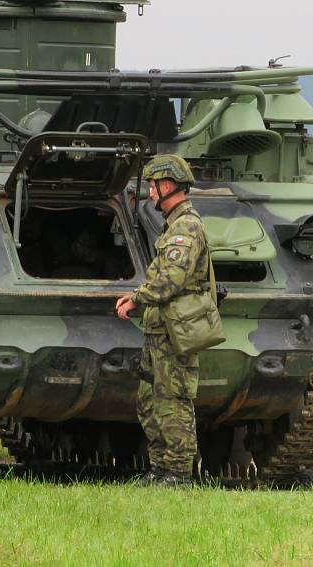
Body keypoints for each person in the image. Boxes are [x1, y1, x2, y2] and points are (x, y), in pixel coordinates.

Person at [116, 154, 209, 487]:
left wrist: (136, 298)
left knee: (173, 402)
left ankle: (178, 474)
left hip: (174, 330)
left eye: (153, 186)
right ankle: (160, 470)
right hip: (161, 329)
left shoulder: (186, 226)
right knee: (151, 400)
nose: (150, 194)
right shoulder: (174, 224)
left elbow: (172, 277)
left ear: (167, 185)